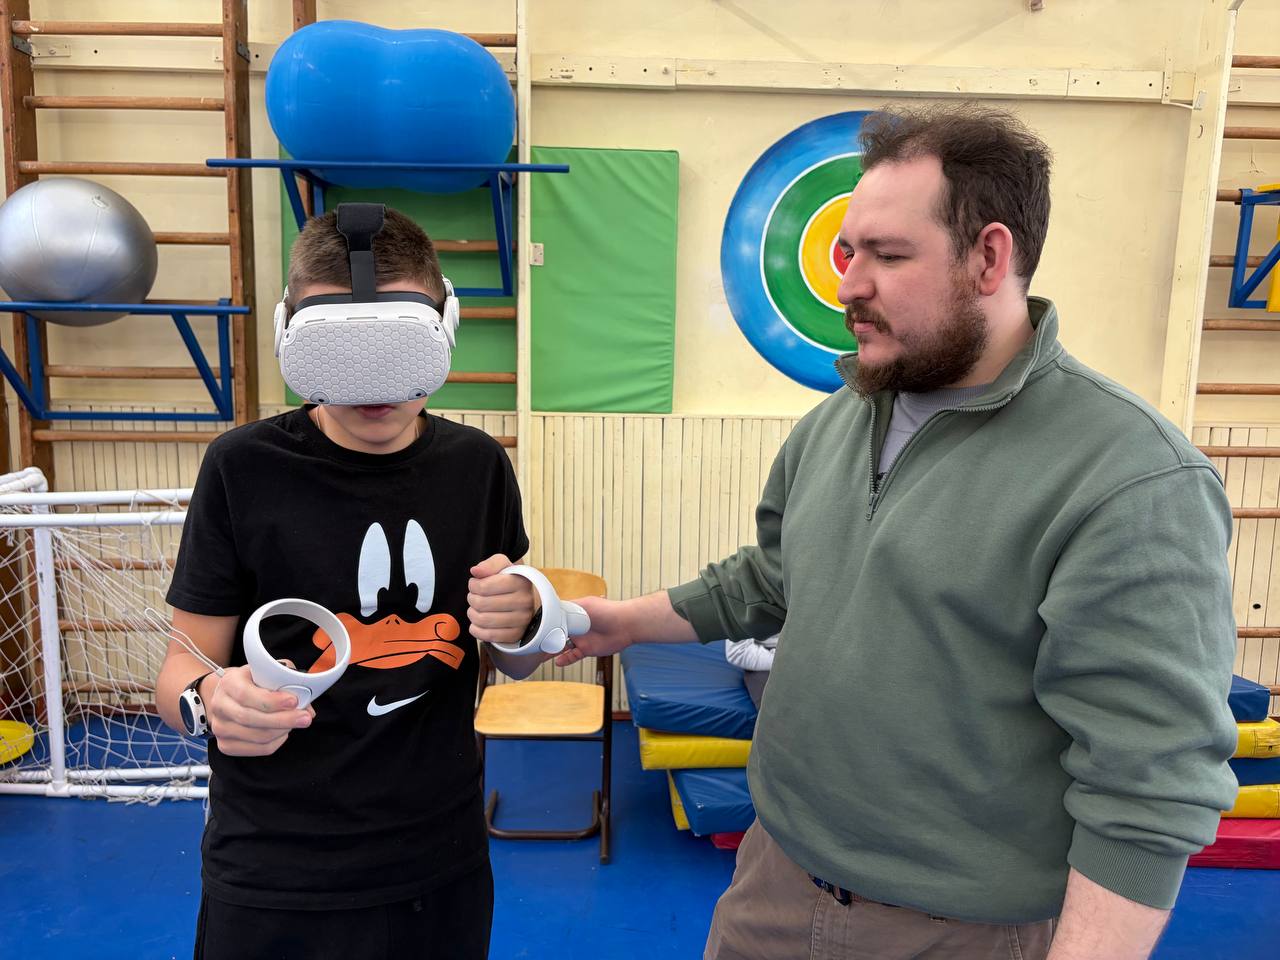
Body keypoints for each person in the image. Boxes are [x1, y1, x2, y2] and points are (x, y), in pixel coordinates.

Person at [557, 104, 1238, 960]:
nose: (848, 284)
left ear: (988, 257)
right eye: (849, 253)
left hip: (959, 931)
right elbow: (772, 579)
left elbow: (1150, 781)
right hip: (772, 880)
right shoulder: (843, 418)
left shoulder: (1129, 476)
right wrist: (621, 622)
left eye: (886, 254)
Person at [154, 205, 540, 960]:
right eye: (341, 354)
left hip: (439, 862)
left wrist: (525, 619)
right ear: (290, 336)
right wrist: (209, 702)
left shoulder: (478, 468)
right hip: (274, 869)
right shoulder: (242, 468)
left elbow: (509, 659)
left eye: (395, 351)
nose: (373, 387)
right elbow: (179, 671)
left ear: (444, 328)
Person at [724, 634, 778, 708]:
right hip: (766, 654)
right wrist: (782, 661)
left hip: (790, 648)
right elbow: (738, 652)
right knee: (775, 705)